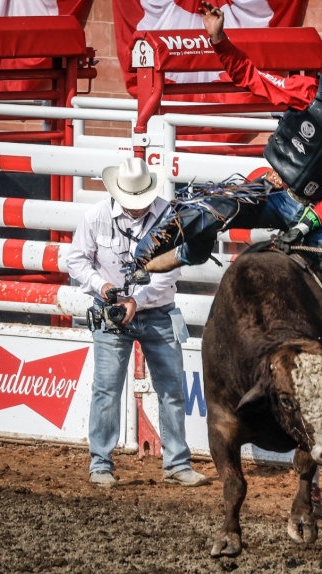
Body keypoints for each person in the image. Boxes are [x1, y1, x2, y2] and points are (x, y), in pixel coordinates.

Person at [137, 1, 322, 515]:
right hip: (274, 190)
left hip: (317, 213)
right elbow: (254, 79)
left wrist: (312, 220)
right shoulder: (310, 91)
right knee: (216, 206)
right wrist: (219, 42)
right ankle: (178, 251)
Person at [66, 157, 208, 489]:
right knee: (107, 389)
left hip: (153, 311)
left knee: (171, 389)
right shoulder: (97, 217)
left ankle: (175, 463)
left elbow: (172, 270)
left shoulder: (167, 216)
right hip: (115, 309)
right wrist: (103, 288)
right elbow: (76, 259)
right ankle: (102, 462)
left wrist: (134, 301)